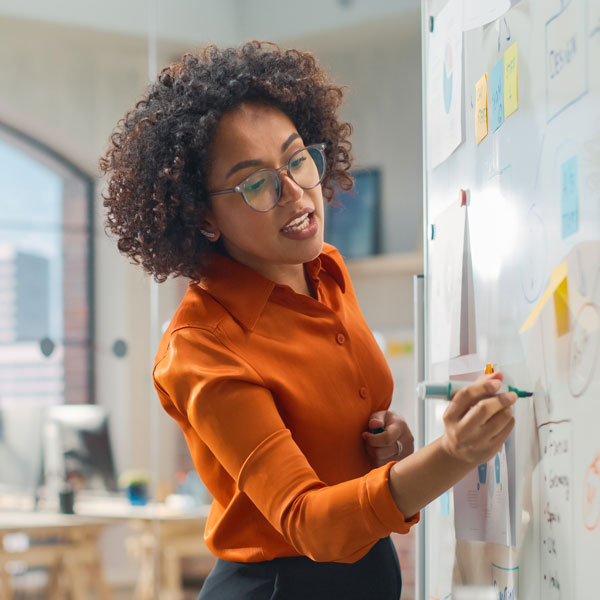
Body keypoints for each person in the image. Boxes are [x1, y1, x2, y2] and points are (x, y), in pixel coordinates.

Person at [100, 41, 516, 600]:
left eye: (296, 159)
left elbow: (346, 445)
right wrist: (453, 454)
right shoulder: (202, 346)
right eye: (255, 183)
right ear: (201, 214)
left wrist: (389, 447)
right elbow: (308, 521)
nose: (296, 193)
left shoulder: (326, 273)